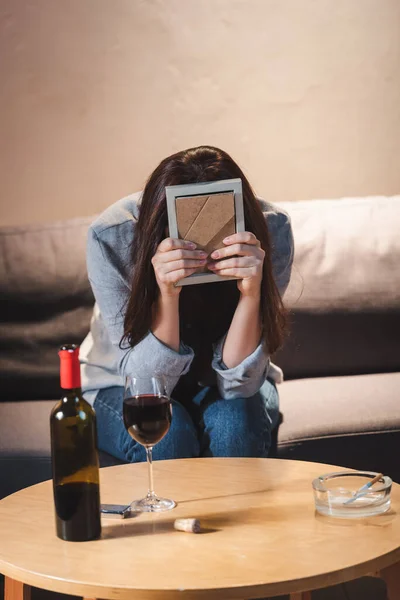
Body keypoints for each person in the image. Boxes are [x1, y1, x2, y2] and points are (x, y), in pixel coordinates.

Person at [80, 145, 294, 462]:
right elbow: (148, 387)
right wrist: (167, 292)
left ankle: (237, 513)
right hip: (121, 382)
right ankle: (168, 512)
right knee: (168, 430)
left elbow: (239, 385)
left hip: (230, 381)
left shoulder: (270, 229)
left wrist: (251, 293)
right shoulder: (113, 236)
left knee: (234, 424)